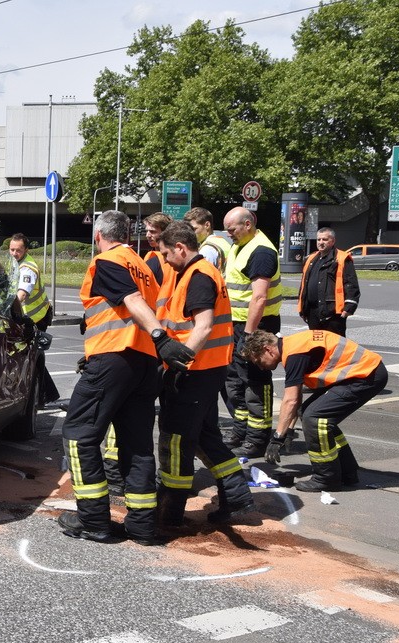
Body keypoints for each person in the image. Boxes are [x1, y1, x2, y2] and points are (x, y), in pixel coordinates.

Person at [58, 210, 194, 545]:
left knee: (79, 435)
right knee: (137, 446)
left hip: (115, 357)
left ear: (98, 235)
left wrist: (161, 338)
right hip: (142, 364)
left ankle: (93, 521)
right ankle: (142, 526)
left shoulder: (108, 260)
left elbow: (130, 302)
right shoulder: (144, 267)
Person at [154, 222, 255, 525]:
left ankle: (169, 513)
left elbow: (204, 326)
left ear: (181, 248)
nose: (165, 260)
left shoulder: (198, 277)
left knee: (176, 439)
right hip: (207, 371)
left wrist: (177, 365)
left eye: (166, 254)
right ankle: (237, 498)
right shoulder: (195, 273)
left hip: (194, 372)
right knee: (204, 436)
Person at [241, 330, 387, 491]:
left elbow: (291, 400)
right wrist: (288, 430)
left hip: (366, 375)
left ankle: (326, 477)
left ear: (267, 349)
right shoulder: (293, 346)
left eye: (258, 361)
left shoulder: (295, 353)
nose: (261, 367)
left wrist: (277, 438)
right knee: (310, 412)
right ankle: (347, 470)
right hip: (360, 374)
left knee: (315, 418)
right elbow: (296, 401)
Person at [222, 207, 283, 459]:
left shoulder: (261, 251)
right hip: (238, 324)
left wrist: (248, 335)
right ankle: (241, 431)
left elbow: (259, 297)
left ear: (247, 224)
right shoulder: (242, 246)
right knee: (235, 381)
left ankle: (257, 439)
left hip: (256, 326)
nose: (229, 235)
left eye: (232, 230)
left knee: (255, 383)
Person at [298, 227, 360, 336]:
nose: (321, 242)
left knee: (334, 346)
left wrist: (349, 307)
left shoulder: (342, 258)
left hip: (333, 313)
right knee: (316, 346)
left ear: (333, 241)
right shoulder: (311, 258)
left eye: (325, 239)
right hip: (312, 312)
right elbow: (304, 284)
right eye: (319, 239)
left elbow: (351, 284)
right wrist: (303, 308)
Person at [8, 233, 52, 331]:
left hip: (35, 318)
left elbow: (22, 294)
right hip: (26, 316)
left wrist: (7, 309)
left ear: (26, 250)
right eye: (12, 250)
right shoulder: (16, 262)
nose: (14, 253)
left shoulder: (27, 268)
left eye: (18, 250)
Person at [184, 206, 230, 272]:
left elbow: (204, 277)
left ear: (207, 225)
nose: (190, 233)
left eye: (194, 229)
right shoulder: (222, 241)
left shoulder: (207, 250)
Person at [142, 212, 174, 289]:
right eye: (147, 231)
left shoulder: (175, 258)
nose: (148, 235)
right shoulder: (151, 257)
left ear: (165, 233)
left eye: (152, 232)